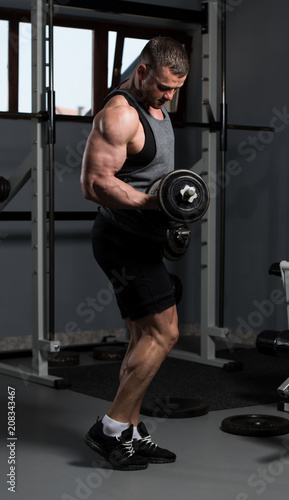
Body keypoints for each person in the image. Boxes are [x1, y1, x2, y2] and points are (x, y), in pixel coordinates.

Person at [80, 36, 189, 471]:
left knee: (142, 337)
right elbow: (93, 184)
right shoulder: (120, 114)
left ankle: (130, 431)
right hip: (122, 239)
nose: (168, 95)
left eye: (175, 89)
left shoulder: (158, 105)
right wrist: (152, 204)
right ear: (142, 70)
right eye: (163, 86)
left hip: (144, 238)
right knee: (165, 335)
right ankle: (108, 429)